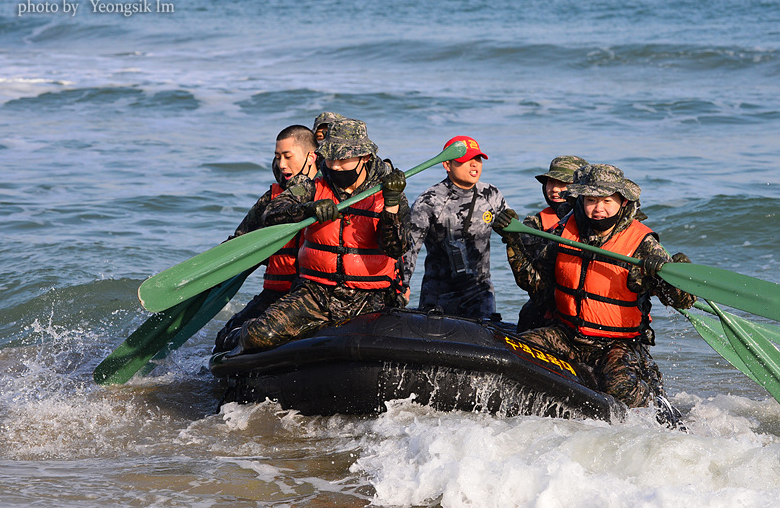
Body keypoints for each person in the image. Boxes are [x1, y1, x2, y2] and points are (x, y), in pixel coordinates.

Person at [492, 163, 696, 416]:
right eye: (591, 200)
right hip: (568, 334)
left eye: (607, 200)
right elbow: (535, 285)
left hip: (617, 343)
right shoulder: (564, 231)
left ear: (623, 201)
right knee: (513, 353)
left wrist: (672, 274)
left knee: (619, 388)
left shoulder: (643, 244)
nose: (598, 209)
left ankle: (662, 409)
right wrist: (511, 241)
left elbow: (683, 300)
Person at [221, 118, 410, 352]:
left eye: (343, 159)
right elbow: (273, 212)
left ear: (365, 158)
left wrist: (391, 207)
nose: (336, 166)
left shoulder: (388, 192)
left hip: (371, 297)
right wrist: (306, 209)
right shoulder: (310, 184)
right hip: (316, 292)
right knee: (258, 336)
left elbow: (396, 248)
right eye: (331, 158)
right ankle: (239, 335)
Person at [212, 125, 319, 353]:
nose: (281, 164)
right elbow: (241, 241)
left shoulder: (328, 194)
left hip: (311, 294)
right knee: (225, 340)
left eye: (288, 157)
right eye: (277, 157)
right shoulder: (273, 197)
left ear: (311, 157)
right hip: (276, 294)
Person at [403, 135, 511, 318]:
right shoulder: (429, 201)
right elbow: (409, 249)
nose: (474, 164)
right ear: (447, 165)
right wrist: (402, 285)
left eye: (477, 159)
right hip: (438, 294)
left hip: (480, 292)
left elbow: (514, 236)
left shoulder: (491, 195)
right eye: (466, 160)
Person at [516, 155, 588, 332]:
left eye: (563, 184)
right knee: (529, 312)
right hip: (553, 306)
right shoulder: (534, 225)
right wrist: (512, 240)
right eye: (550, 183)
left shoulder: (601, 223)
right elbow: (531, 279)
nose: (555, 189)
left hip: (592, 308)